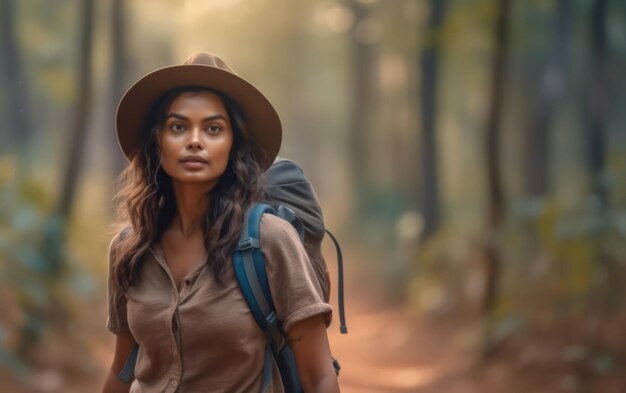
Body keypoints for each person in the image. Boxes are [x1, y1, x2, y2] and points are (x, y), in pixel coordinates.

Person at [102, 52, 339, 393]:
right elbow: (121, 371)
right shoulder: (129, 249)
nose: (194, 140)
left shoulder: (270, 242)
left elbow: (318, 376)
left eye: (213, 128)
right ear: (158, 142)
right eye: (178, 126)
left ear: (233, 145)